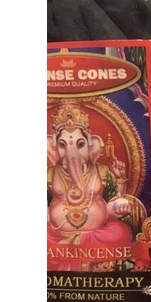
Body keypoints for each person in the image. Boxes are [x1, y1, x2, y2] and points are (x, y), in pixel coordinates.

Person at [47, 103, 132, 270]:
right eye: (63, 145)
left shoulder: (101, 172)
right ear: (53, 149)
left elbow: (113, 199)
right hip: (58, 234)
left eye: (80, 145)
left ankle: (73, 244)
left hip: (95, 233)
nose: (72, 153)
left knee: (121, 231)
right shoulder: (50, 174)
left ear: (92, 147)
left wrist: (120, 184)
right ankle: (76, 248)